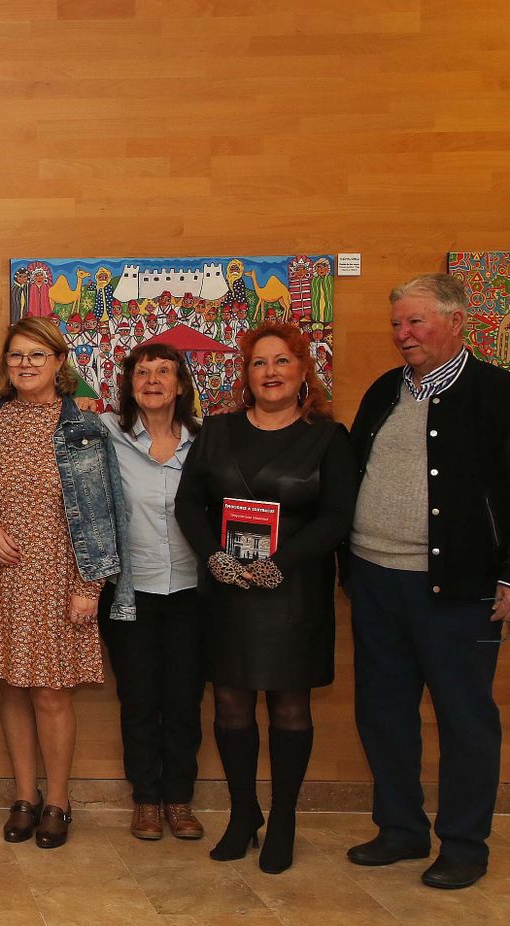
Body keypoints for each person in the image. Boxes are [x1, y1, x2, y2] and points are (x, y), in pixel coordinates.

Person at [345, 274, 510, 889]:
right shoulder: (386, 390)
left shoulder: (501, 395)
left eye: (415, 322)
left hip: (459, 592)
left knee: (465, 718)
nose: (402, 335)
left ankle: (465, 844)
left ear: (457, 320)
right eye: (396, 325)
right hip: (375, 581)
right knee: (383, 712)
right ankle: (400, 828)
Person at [175, 320, 356, 874]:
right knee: (229, 703)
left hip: (292, 594)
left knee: (289, 707)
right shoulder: (218, 432)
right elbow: (188, 505)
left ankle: (284, 820)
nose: (270, 372)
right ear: (245, 374)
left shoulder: (329, 437)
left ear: (304, 371)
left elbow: (337, 517)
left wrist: (280, 564)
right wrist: (215, 558)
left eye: (281, 362)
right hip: (228, 591)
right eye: (259, 363)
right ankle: (243, 812)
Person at [0, 316, 122, 850]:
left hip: (60, 575)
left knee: (52, 694)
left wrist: (89, 586)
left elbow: (101, 513)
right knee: (11, 687)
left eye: (37, 354)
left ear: (59, 361)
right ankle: (24, 797)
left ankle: (58, 800)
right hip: (2, 575)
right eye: (16, 356)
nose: (25, 364)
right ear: (5, 366)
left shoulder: (85, 428)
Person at [99, 343, 207, 842]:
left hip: (193, 590)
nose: (153, 379)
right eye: (142, 372)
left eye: (165, 370)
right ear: (129, 384)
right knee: (139, 698)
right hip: (129, 591)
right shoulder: (107, 435)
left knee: (184, 699)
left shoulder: (206, 442)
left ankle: (179, 800)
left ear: (181, 384)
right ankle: (145, 800)